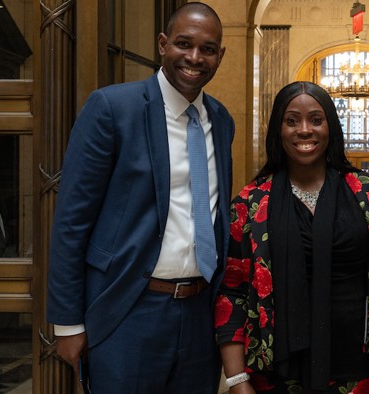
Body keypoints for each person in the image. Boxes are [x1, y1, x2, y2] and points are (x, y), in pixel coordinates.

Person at [46, 3, 233, 392]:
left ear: (220, 56)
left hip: (199, 315)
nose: (195, 58)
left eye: (208, 49)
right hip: (128, 311)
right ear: (163, 44)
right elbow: (71, 222)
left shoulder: (222, 120)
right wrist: (67, 322)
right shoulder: (113, 108)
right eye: (184, 44)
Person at [215, 81, 369, 394]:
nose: (304, 130)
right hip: (275, 373)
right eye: (291, 121)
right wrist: (236, 379)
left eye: (316, 119)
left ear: (331, 127)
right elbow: (232, 292)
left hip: (357, 370)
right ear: (278, 129)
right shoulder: (250, 203)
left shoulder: (368, 194)